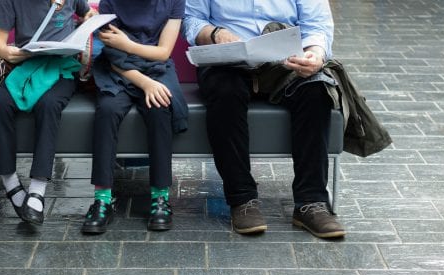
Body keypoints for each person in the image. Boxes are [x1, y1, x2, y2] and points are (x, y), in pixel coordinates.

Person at [182, 0, 346, 238]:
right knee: (224, 91)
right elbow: (191, 21)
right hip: (227, 61)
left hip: (286, 61)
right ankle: (242, 199)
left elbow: (316, 26)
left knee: (316, 91)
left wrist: (315, 55)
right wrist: (215, 33)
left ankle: (311, 202)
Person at [81, 0, 188, 234]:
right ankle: (102, 199)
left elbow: (162, 52)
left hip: (156, 67)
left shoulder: (174, 2)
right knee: (107, 110)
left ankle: (160, 198)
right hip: (118, 69)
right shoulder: (110, 2)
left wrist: (127, 44)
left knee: (160, 108)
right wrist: (144, 82)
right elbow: (112, 55)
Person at [0, 0, 96, 225]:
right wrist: (7, 51)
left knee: (49, 105)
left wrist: (87, 20)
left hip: (62, 69)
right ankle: (10, 183)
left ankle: (38, 190)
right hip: (26, 67)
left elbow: (88, 13)